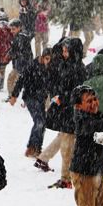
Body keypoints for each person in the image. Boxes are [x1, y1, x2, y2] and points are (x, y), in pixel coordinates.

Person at [38, 38, 86, 188]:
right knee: (66, 142)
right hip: (65, 111)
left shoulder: (78, 69)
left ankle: (67, 178)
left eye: (67, 51)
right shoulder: (64, 64)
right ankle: (66, 177)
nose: (64, 53)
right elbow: (57, 82)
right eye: (64, 51)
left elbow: (78, 91)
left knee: (68, 145)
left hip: (73, 111)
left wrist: (63, 98)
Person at [9, 48, 52, 157]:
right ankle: (31, 148)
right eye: (47, 59)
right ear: (42, 57)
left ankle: (37, 148)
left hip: (41, 98)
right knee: (39, 122)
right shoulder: (31, 65)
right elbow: (21, 80)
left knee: (42, 123)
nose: (48, 62)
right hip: (30, 97)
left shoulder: (50, 68)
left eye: (50, 60)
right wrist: (14, 95)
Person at [6, 18, 34, 98]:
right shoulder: (18, 37)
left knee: (13, 79)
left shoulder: (21, 37)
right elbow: (15, 49)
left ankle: (13, 96)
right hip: (20, 64)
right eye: (11, 29)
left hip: (23, 65)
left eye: (13, 29)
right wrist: (10, 53)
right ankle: (12, 96)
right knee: (13, 80)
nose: (12, 31)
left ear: (19, 28)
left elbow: (21, 51)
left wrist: (12, 54)